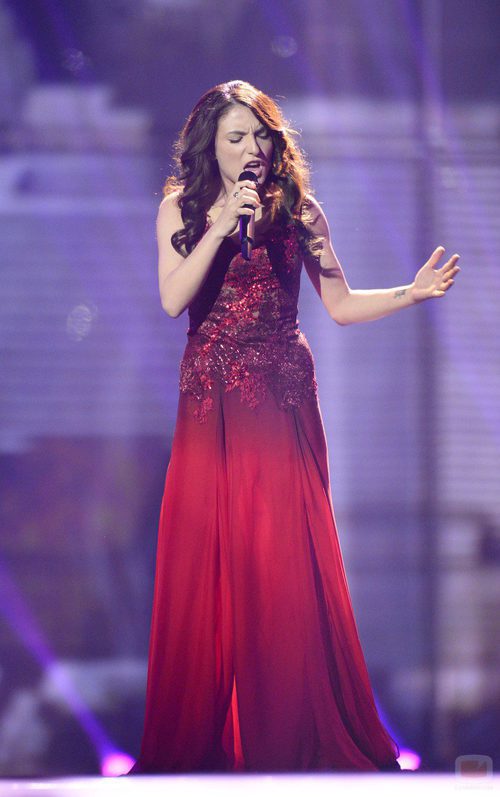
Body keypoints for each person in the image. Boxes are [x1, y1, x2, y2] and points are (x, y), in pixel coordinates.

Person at [128, 80, 460, 774]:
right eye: (235, 137)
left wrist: (412, 292)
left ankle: (291, 738)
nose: (251, 148)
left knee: (280, 558)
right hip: (209, 399)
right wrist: (221, 223)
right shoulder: (177, 209)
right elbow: (172, 299)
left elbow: (339, 304)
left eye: (260, 135)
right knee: (206, 559)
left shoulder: (299, 212)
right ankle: (201, 744)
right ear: (210, 146)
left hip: (279, 397)